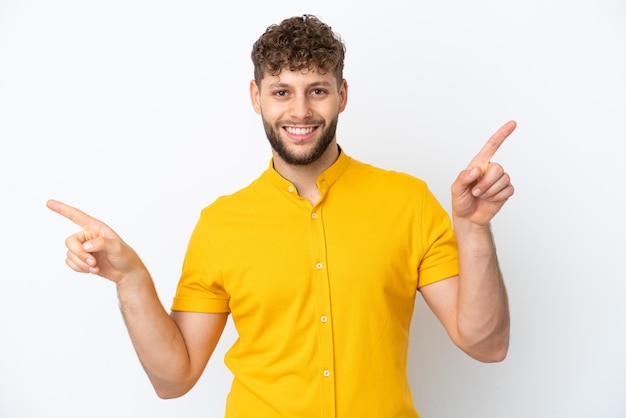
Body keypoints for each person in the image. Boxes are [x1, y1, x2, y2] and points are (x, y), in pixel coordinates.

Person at [47, 14, 515, 418]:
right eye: (281, 92)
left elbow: (485, 345)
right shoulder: (221, 224)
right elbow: (174, 379)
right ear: (257, 97)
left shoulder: (408, 202)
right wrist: (130, 278)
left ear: (342, 94)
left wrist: (473, 228)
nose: (300, 111)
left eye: (317, 90)